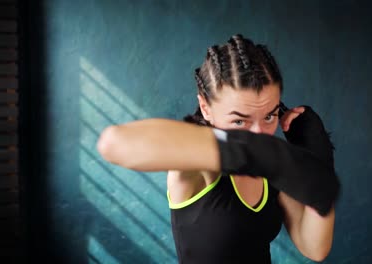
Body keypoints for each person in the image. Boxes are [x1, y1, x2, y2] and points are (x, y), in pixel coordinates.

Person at [97, 34, 340, 263]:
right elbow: (114, 143)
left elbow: (314, 247)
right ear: (205, 107)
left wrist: (320, 163)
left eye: (269, 116)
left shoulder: (273, 167)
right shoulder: (198, 165)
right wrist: (249, 152)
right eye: (239, 121)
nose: (259, 134)